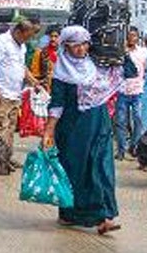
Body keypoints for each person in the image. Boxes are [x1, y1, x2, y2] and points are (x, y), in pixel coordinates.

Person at [42, 26, 121, 234]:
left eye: (85, 43)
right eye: (75, 45)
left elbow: (125, 72)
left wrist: (120, 53)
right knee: (76, 171)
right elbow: (57, 103)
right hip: (72, 128)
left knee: (101, 166)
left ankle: (104, 216)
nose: (81, 49)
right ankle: (70, 213)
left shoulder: (97, 65)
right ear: (66, 46)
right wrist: (49, 131)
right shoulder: (61, 72)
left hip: (99, 122)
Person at [0, 19, 39, 170]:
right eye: (25, 37)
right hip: (1, 94)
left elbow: (22, 67)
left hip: (15, 94)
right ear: (18, 31)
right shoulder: (0, 42)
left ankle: (7, 157)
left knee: (10, 129)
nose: (26, 40)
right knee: (0, 129)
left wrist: (34, 82)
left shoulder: (21, 45)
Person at [115, 26, 147, 160]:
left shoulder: (143, 52)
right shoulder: (119, 52)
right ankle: (121, 150)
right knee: (121, 122)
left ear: (137, 37)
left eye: (134, 35)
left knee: (138, 120)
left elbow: (146, 69)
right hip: (122, 91)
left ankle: (133, 146)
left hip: (138, 90)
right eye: (129, 35)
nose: (131, 38)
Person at [32, 25, 60, 91]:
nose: (53, 39)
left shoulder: (65, 53)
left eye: (56, 36)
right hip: (46, 88)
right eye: (51, 36)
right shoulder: (41, 53)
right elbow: (36, 74)